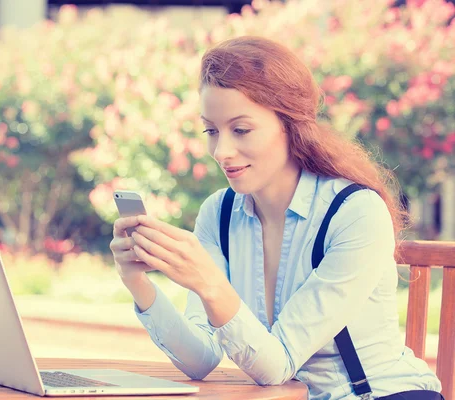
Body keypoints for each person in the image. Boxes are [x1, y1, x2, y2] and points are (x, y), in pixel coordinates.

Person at [109, 36, 442, 399]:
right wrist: (137, 282)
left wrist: (208, 283)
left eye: (240, 130)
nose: (221, 151)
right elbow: (201, 359)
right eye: (211, 131)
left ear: (290, 124)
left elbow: (277, 364)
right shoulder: (219, 214)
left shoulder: (355, 213)